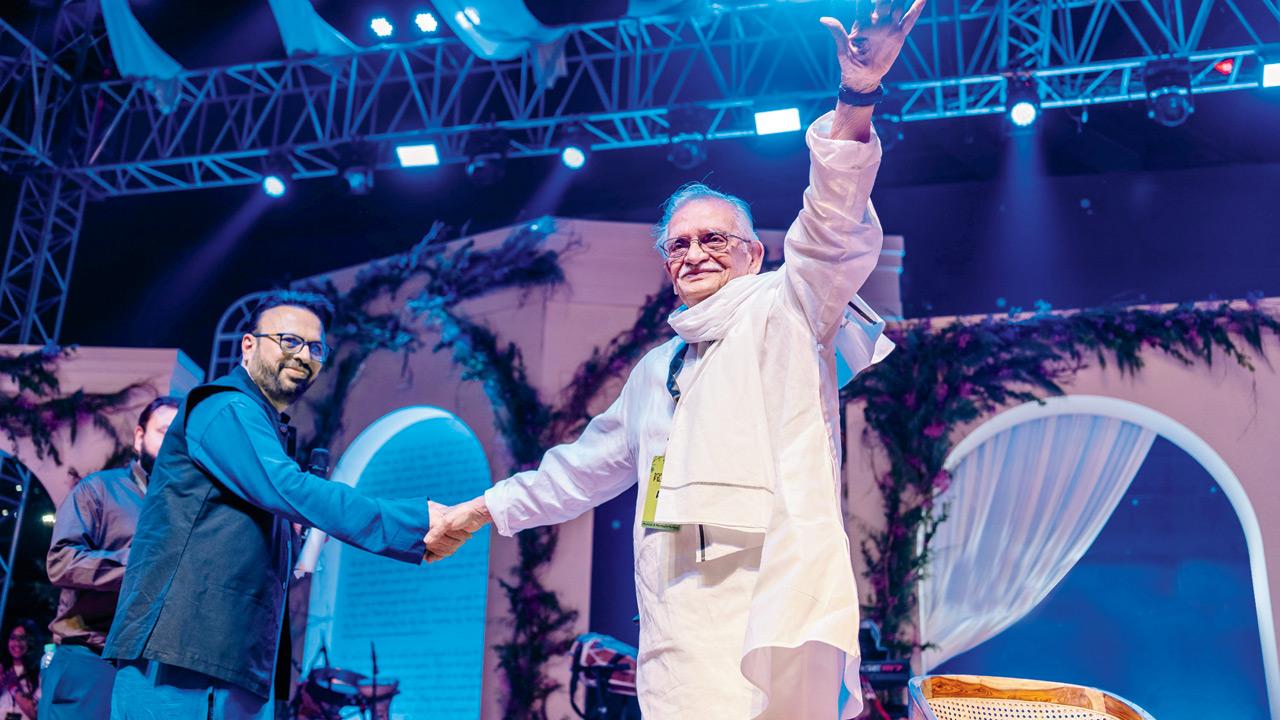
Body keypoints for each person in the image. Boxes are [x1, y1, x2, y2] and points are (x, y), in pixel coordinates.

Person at [424, 3, 924, 718]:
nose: (694, 253)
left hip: (768, 610)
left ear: (753, 254)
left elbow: (832, 219)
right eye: (679, 245)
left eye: (714, 239)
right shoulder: (657, 368)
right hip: (676, 626)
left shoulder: (788, 306)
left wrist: (857, 95)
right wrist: (479, 511)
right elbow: (578, 471)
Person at [104, 291, 461, 720]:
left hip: (233, 658)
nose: (304, 355)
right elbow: (289, 486)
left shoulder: (261, 425)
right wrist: (417, 523)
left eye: (315, 348)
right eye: (289, 341)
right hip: (182, 656)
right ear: (248, 345)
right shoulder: (224, 406)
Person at [39, 396, 180, 719]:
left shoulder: (185, 510)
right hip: (90, 658)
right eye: (164, 432)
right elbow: (61, 562)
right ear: (139, 437)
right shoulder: (99, 490)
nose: (174, 443)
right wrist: (139, 567)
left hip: (152, 671)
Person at [0, 620, 40, 720]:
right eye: (13, 638)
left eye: (22, 638)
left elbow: (36, 715)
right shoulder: (2, 670)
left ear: (29, 642)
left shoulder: (38, 674)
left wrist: (13, 688)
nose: (17, 643)